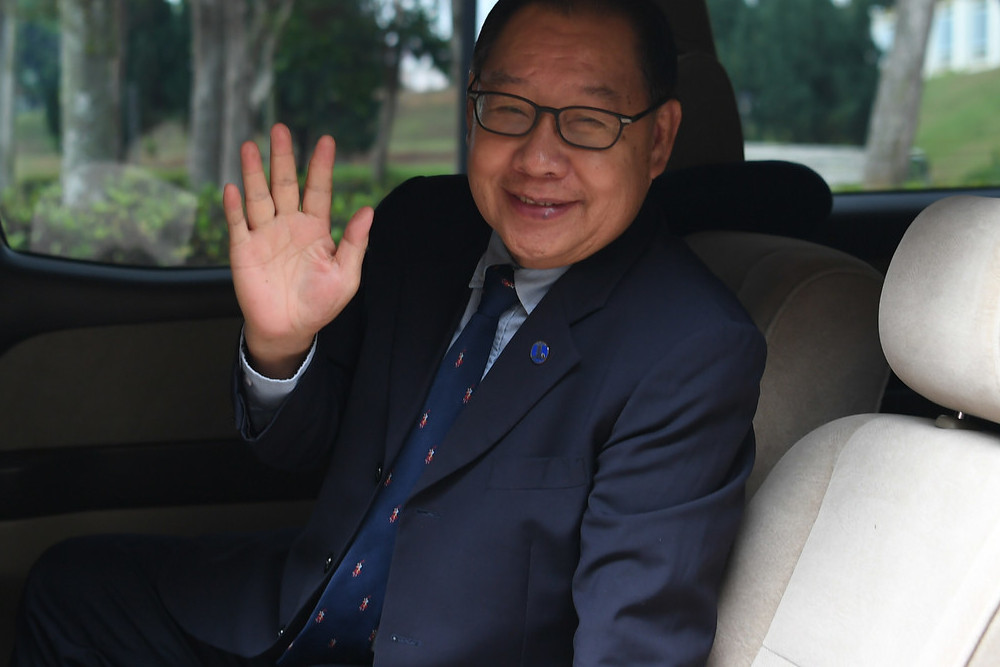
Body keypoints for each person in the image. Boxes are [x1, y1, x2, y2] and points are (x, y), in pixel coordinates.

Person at [11, 0, 765, 664]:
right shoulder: (420, 227)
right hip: (302, 610)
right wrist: (281, 346)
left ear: (658, 140)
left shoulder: (691, 348)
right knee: (69, 590)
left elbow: (630, 644)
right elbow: (305, 450)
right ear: (471, 110)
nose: (539, 158)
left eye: (589, 122)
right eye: (508, 108)